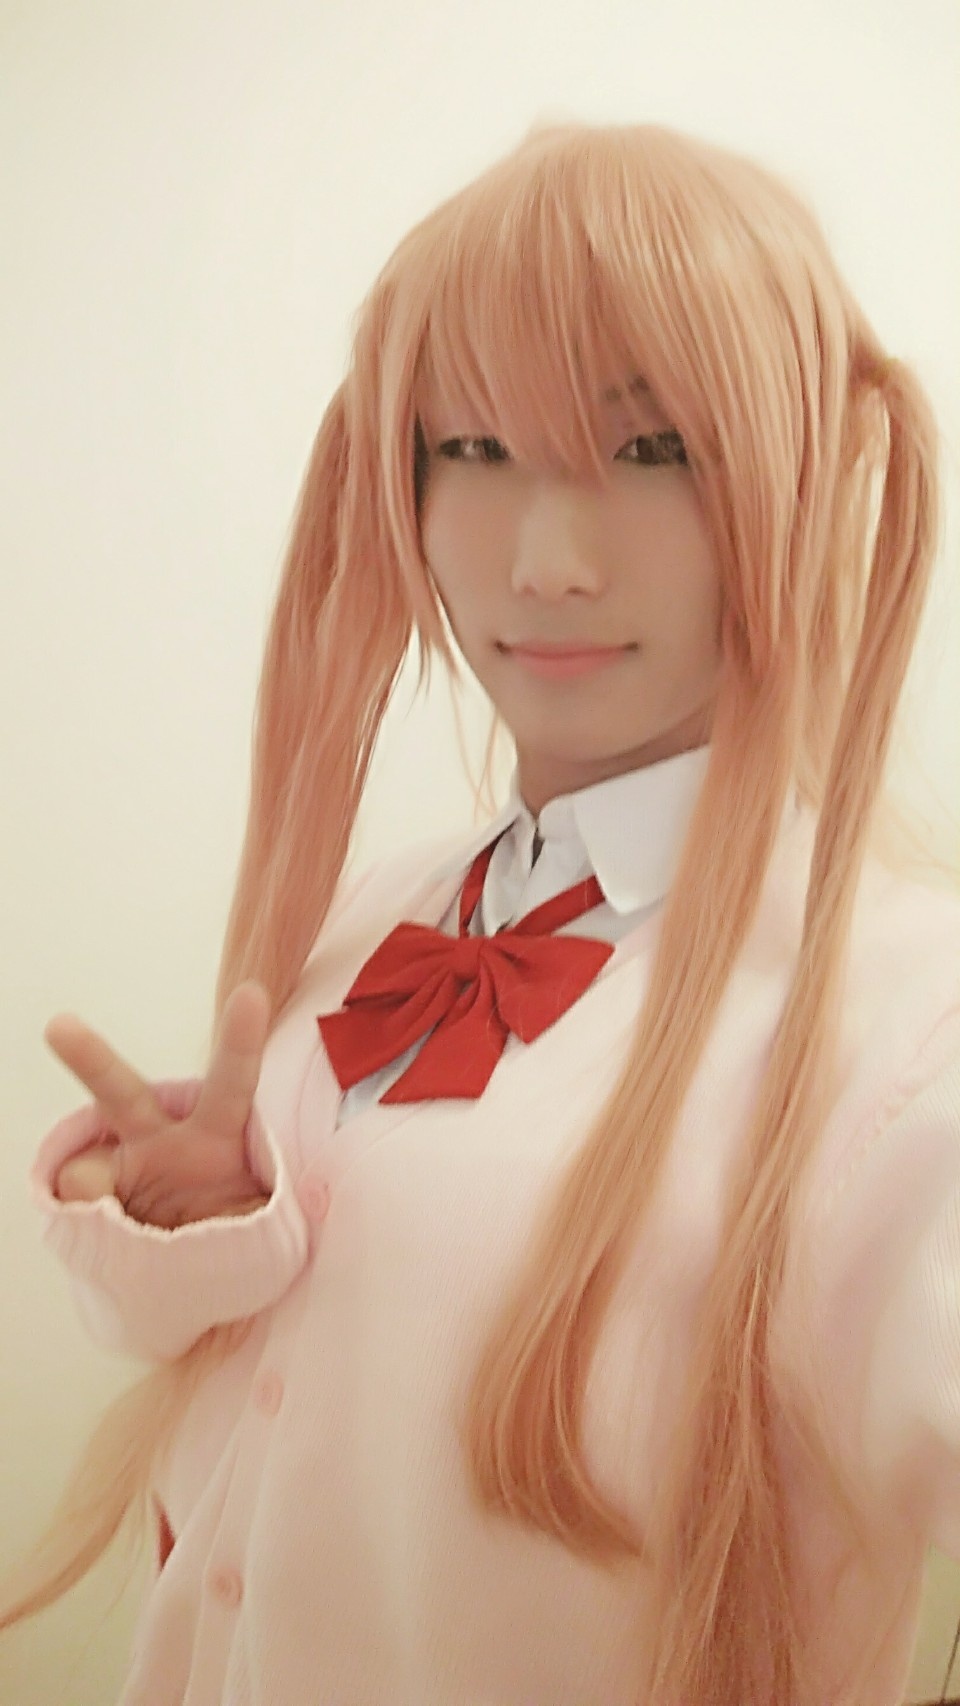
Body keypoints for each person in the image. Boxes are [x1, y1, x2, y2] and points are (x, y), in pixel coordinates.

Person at [3, 117, 960, 1706]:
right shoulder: (374, 910)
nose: (547, 562)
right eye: (472, 447)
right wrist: (199, 1224)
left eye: (653, 451)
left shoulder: (905, 1020)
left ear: (800, 474)